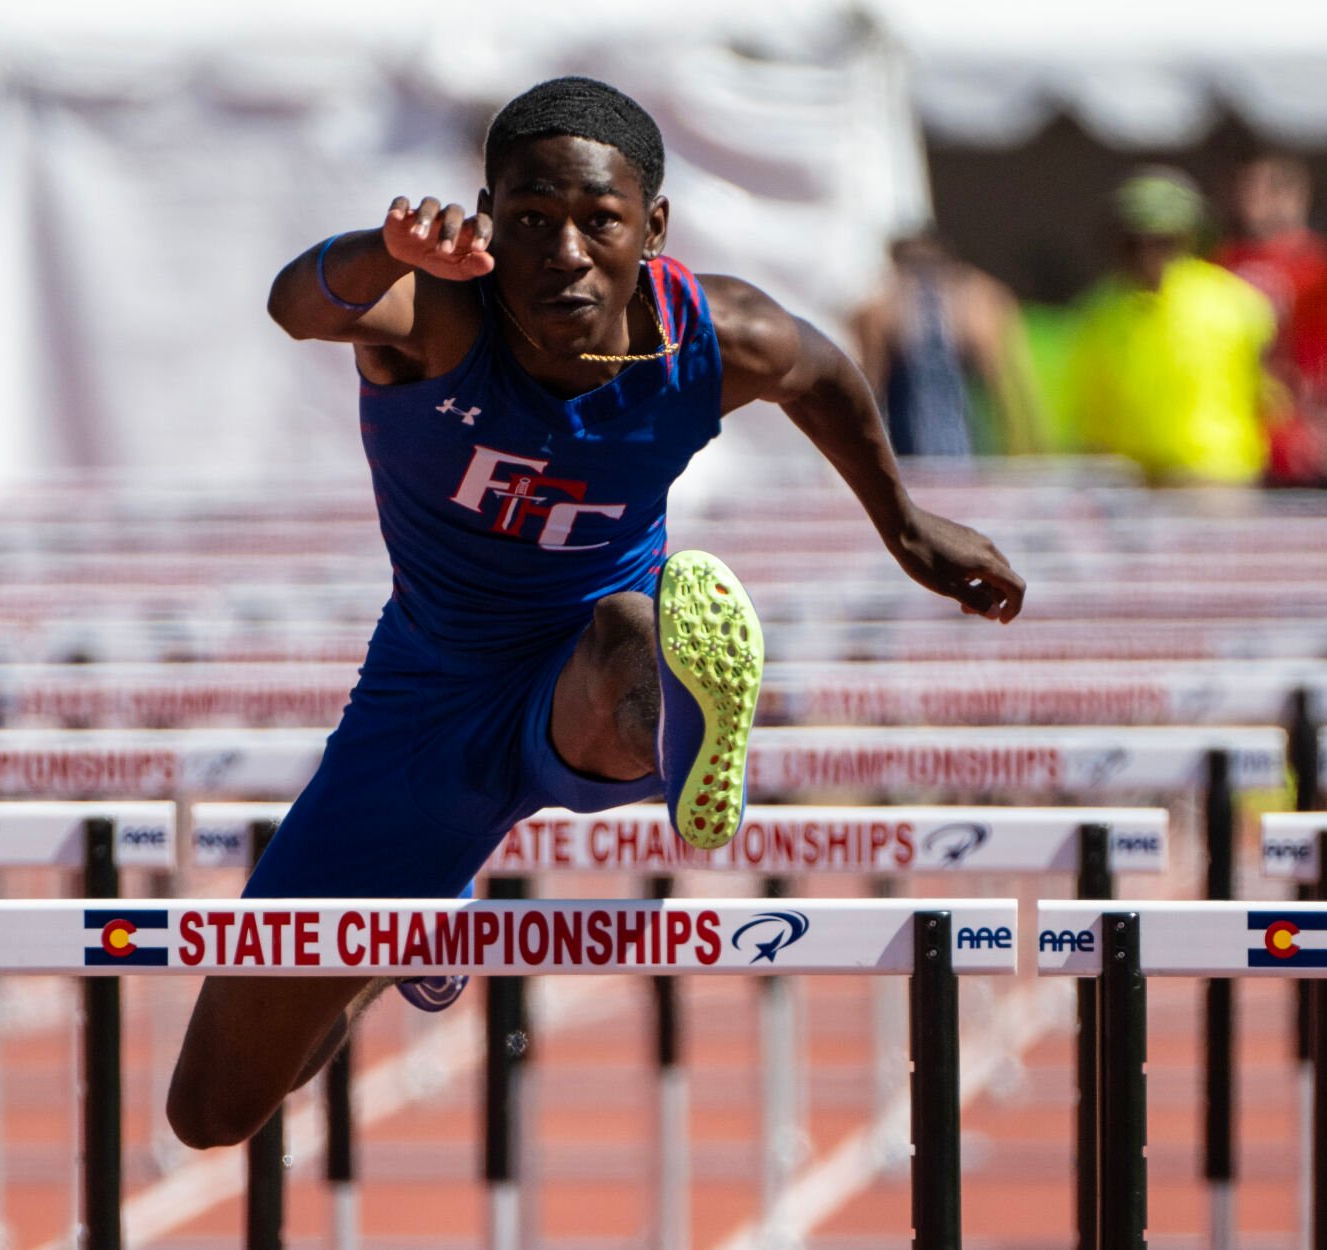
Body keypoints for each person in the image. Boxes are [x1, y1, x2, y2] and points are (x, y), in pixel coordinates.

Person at [167, 77, 1024, 1150]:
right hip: (424, 702)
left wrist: (907, 527)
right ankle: (420, 929)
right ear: (487, 216)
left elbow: (822, 373)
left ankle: (676, 722)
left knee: (632, 627)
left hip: (587, 663)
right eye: (529, 220)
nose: (562, 250)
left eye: (597, 221)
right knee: (212, 1109)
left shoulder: (711, 336)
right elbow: (298, 305)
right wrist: (381, 247)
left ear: (651, 227)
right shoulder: (438, 311)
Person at [1066, 168, 1276, 486]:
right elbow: (1090, 406)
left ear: (1188, 238)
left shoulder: (1234, 302)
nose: (1147, 254)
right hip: (1129, 480)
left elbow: (1271, 391)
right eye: (1133, 243)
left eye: (1162, 241)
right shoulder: (1100, 310)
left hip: (1212, 476)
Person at [851, 229, 1042, 458]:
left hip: (971, 445)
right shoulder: (882, 310)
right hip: (914, 446)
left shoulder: (981, 301)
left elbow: (1010, 389)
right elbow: (870, 390)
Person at [1213, 154, 1327, 484]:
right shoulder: (1221, 266)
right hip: (1242, 433)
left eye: (1270, 189)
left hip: (1307, 431)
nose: (1254, 202)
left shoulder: (1316, 266)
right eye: (1247, 190)